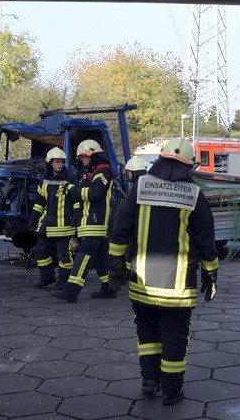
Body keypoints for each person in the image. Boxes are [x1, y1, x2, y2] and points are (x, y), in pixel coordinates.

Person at [107, 138, 219, 406]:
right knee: (175, 337)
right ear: (188, 165)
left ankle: (149, 382)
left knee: (147, 332)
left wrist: (115, 264)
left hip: (142, 282)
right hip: (177, 286)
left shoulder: (140, 187)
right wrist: (210, 275)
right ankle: (171, 391)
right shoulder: (194, 194)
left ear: (160, 159)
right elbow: (206, 241)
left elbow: (120, 228)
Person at [52, 140, 115, 303]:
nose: (82, 161)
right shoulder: (95, 172)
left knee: (84, 255)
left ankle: (71, 291)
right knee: (100, 257)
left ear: (92, 156)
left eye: (83, 158)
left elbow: (94, 194)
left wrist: (72, 189)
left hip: (95, 221)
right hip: (90, 221)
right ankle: (109, 288)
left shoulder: (103, 172)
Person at [30, 147, 77, 290]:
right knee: (40, 249)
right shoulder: (44, 180)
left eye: (62, 162)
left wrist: (76, 218)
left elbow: (76, 200)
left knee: (64, 255)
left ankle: (63, 281)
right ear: (50, 163)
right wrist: (33, 220)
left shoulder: (70, 178)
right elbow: (39, 202)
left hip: (64, 225)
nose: (60, 164)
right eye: (57, 162)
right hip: (47, 223)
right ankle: (47, 277)